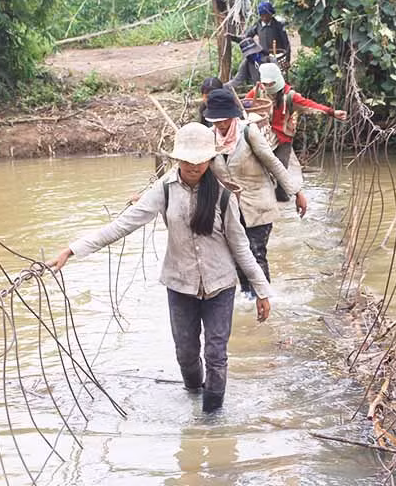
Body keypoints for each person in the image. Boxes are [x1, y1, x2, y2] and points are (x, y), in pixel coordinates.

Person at [47, 122, 271, 413]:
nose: (193, 166)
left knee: (216, 354)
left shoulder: (223, 196)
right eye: (187, 160)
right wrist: (74, 249)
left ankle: (212, 420)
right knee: (186, 354)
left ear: (210, 159)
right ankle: (193, 396)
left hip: (220, 285)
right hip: (180, 285)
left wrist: (262, 291)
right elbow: (123, 224)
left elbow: (241, 246)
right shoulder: (164, 190)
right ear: (177, 159)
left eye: (200, 159)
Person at [203, 89, 307, 299]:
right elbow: (191, 167)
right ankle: (247, 298)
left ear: (232, 116)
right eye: (216, 121)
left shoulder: (248, 133)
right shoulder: (210, 139)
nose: (221, 125)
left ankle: (264, 297)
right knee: (236, 254)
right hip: (230, 208)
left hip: (258, 205)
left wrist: (296, 192)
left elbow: (273, 163)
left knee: (255, 251)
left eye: (224, 120)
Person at [245, 63, 347, 202]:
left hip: (283, 137)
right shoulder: (257, 92)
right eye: (266, 84)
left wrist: (331, 112)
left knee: (281, 168)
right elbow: (245, 105)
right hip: (263, 135)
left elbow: (309, 105)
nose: (269, 87)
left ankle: (282, 195)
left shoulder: (290, 96)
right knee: (260, 168)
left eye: (272, 84)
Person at [245, 1, 291, 68]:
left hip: (278, 57)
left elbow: (286, 44)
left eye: (267, 15)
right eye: (262, 16)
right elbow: (247, 37)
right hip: (264, 59)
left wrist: (287, 60)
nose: (265, 18)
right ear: (260, 15)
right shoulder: (257, 25)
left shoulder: (278, 26)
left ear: (271, 14)